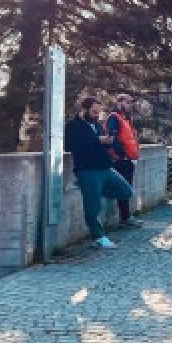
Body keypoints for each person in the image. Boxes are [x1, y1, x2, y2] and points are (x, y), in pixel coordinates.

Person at [64, 96, 134, 249]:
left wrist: (108, 144)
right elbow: (70, 146)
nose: (97, 115)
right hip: (87, 169)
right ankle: (99, 237)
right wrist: (98, 141)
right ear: (84, 110)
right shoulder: (73, 125)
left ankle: (89, 189)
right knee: (93, 207)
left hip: (105, 167)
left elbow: (101, 143)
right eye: (94, 112)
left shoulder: (97, 125)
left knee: (126, 191)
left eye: (98, 112)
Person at [106, 93, 142, 228]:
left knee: (126, 188)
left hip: (128, 160)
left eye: (130, 103)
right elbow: (111, 138)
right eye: (128, 102)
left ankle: (126, 217)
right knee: (123, 188)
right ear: (120, 102)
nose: (130, 105)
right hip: (121, 160)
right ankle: (125, 218)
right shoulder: (114, 118)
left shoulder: (125, 119)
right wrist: (120, 155)